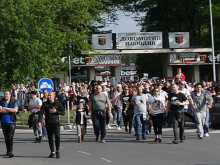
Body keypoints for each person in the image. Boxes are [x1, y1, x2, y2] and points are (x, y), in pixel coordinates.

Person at [39, 92, 65, 158]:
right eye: (48, 95)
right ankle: (52, 152)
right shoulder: (45, 104)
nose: (49, 96)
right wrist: (40, 121)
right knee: (50, 137)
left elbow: (63, 112)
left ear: (54, 96)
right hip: (48, 122)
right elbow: (41, 112)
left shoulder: (57, 103)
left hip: (56, 122)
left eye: (50, 95)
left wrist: (56, 111)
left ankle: (57, 151)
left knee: (57, 136)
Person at [0, 91, 19, 158]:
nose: (6, 96)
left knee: (10, 137)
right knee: (6, 137)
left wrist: (5, 108)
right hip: (3, 121)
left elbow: (15, 110)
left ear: (10, 95)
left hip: (11, 122)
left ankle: (10, 151)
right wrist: (10, 110)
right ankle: (8, 151)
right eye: (5, 94)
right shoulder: (2, 102)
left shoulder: (14, 102)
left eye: (7, 94)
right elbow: (0, 110)